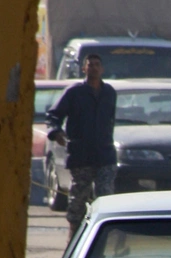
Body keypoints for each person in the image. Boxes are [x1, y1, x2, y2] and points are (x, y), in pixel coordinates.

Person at [46, 54, 117, 238]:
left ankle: (104, 238)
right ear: (84, 69)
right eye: (89, 65)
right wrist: (56, 132)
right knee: (78, 199)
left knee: (105, 197)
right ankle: (74, 237)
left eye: (97, 65)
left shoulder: (109, 93)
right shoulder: (74, 93)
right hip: (81, 156)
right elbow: (54, 116)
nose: (93, 68)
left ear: (102, 69)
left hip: (105, 156)